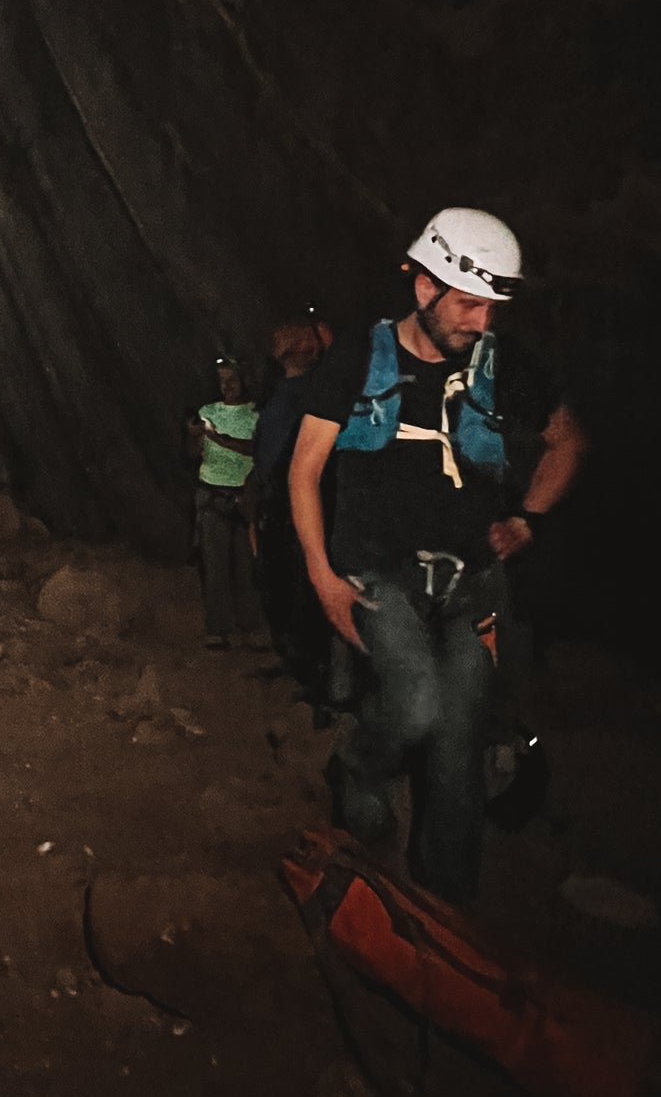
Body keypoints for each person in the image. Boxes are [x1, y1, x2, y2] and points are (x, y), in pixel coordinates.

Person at [287, 208, 586, 905]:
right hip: (377, 573)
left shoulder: (504, 365)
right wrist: (323, 579)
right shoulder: (358, 359)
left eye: (492, 306)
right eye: (469, 302)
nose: (482, 321)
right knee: (416, 702)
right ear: (423, 285)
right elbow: (304, 470)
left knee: (459, 748)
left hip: (470, 584)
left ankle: (446, 908)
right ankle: (359, 769)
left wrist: (528, 517)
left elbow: (568, 439)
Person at [254, 318, 336, 711]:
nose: (291, 340)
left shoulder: (316, 395)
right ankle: (297, 663)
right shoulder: (279, 393)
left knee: (305, 590)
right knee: (279, 583)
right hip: (276, 499)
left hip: (304, 502)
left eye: (301, 336)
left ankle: (319, 681)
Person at [189, 357, 262, 649]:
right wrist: (196, 438)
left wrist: (216, 437)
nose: (227, 386)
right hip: (212, 493)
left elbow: (252, 448)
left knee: (247, 565)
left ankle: (251, 627)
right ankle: (219, 629)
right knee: (215, 565)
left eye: (232, 379)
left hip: (244, 496)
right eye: (222, 380)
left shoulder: (255, 413)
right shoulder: (208, 411)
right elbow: (197, 455)